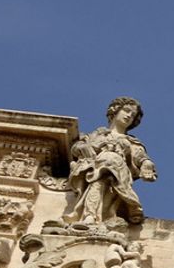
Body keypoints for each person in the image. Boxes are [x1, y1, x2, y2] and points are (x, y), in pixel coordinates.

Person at [67, 97, 156, 227]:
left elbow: (141, 157)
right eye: (126, 110)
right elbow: (76, 148)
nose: (129, 116)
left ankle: (91, 216)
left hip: (117, 172)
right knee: (100, 174)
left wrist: (146, 164)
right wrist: (84, 147)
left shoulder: (132, 142)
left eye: (133, 115)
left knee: (106, 167)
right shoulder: (97, 134)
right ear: (115, 110)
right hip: (94, 169)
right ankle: (91, 216)